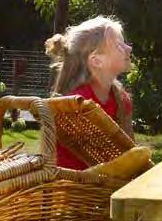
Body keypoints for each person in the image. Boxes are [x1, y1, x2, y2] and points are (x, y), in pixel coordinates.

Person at [45, 15, 134, 170]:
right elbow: (104, 160)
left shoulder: (121, 99)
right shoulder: (78, 104)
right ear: (96, 61)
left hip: (102, 187)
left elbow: (131, 152)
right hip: (74, 190)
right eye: (119, 46)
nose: (129, 48)